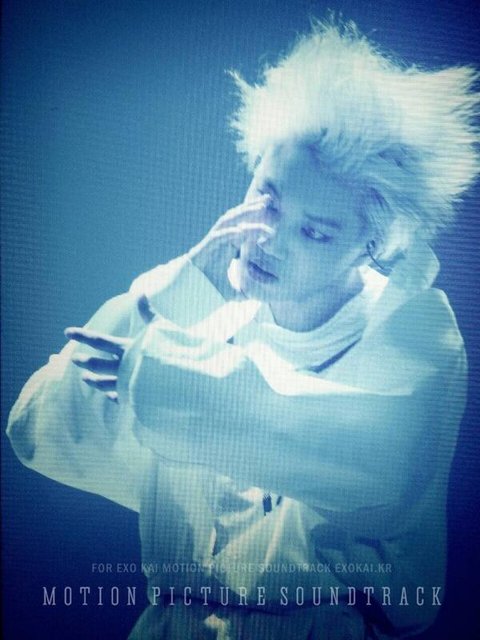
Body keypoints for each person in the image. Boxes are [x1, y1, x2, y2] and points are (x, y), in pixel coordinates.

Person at [7, 19, 479, 639]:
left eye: (314, 231)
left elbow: (361, 455)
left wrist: (158, 375)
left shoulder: (412, 334)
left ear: (373, 244)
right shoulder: (202, 312)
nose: (269, 240)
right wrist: (177, 291)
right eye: (268, 198)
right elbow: (38, 429)